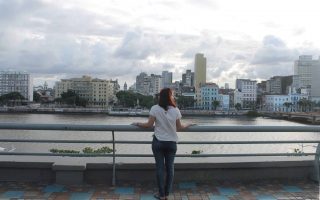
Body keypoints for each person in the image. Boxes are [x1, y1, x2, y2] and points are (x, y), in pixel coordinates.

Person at [132, 88, 194, 200]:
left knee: (160, 168)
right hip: (171, 143)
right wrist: (189, 124)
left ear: (160, 97)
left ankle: (161, 195)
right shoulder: (175, 110)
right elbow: (179, 127)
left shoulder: (155, 108)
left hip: (158, 143)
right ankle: (167, 194)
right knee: (170, 169)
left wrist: (137, 123)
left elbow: (149, 125)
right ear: (170, 97)